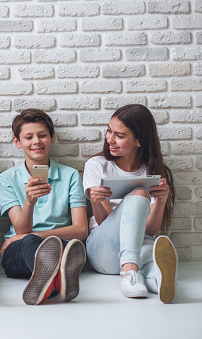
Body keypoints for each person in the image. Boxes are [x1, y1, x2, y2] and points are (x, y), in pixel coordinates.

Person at [83, 104, 178, 303]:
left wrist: (160, 202)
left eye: (119, 135)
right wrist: (97, 202)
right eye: (109, 131)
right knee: (140, 194)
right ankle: (129, 271)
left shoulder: (153, 172)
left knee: (146, 246)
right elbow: (103, 222)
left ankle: (158, 281)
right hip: (103, 250)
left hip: (138, 244)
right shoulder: (97, 166)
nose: (109, 139)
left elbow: (149, 230)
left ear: (139, 141)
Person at [0, 109, 88, 305]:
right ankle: (57, 280)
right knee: (31, 243)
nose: (36, 141)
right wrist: (29, 202)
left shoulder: (71, 175)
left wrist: (30, 236)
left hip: (58, 243)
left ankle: (48, 282)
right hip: (19, 249)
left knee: (64, 246)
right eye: (28, 137)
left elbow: (81, 230)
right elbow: (22, 230)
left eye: (42, 135)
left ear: (52, 138)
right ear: (17, 142)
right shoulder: (7, 179)